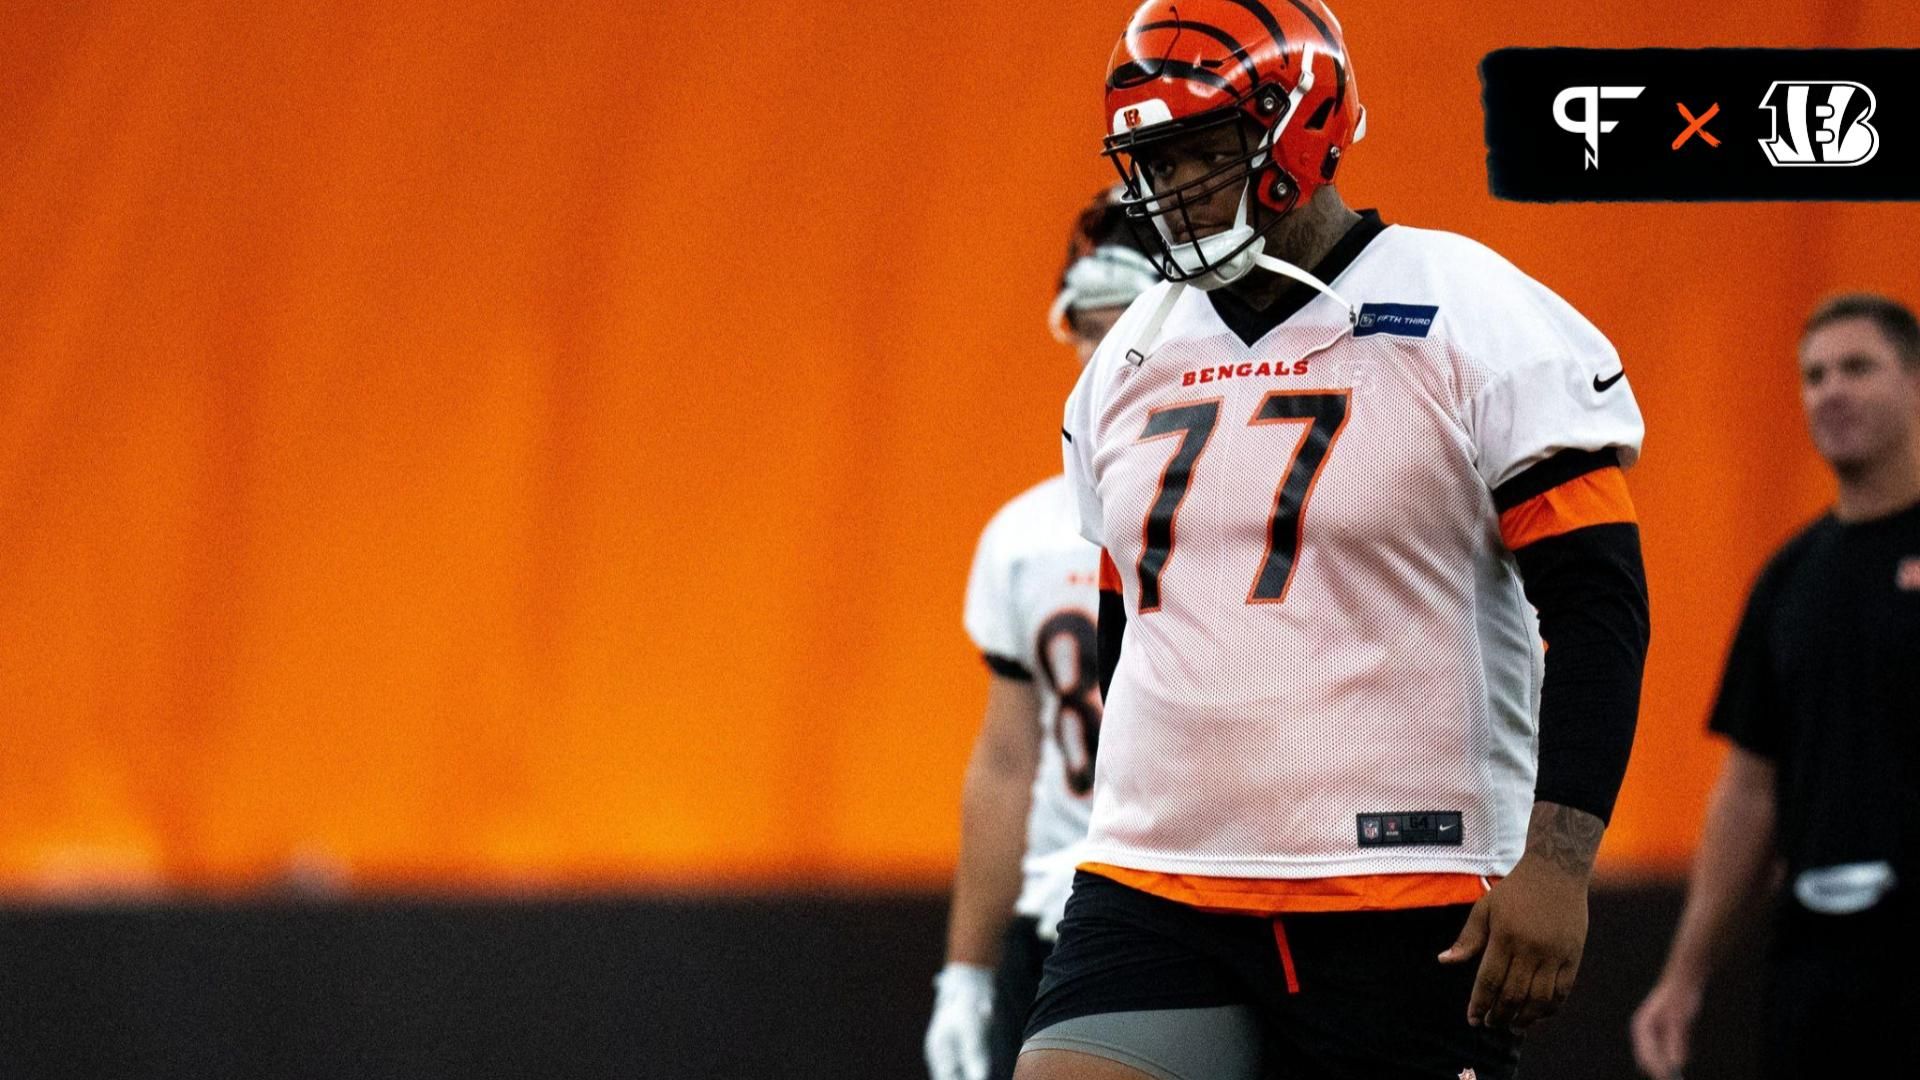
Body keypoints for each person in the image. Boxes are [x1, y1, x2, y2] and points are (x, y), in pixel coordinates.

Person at [1015, 2, 1653, 1078]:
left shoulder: (1471, 313)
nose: (1167, 191)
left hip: (1402, 889)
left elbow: (1597, 606)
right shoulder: (1128, 356)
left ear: (1299, 129)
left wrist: (1557, 862)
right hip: (1157, 879)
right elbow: (1137, 616)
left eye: (1198, 152)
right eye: (1150, 160)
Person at [1630, 294, 1920, 1080]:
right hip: (1821, 960)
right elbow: (1750, 787)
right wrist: (1684, 976)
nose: (1831, 391)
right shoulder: (1791, 578)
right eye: (1813, 375)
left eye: (1857, 367)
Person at [925, 189, 1162, 1080]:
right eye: (1087, 331)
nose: (1101, 359)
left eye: (1124, 329)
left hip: (1199, 896)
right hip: (1060, 917)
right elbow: (1005, 762)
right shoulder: (1024, 537)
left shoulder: (1238, 504)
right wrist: (966, 973)